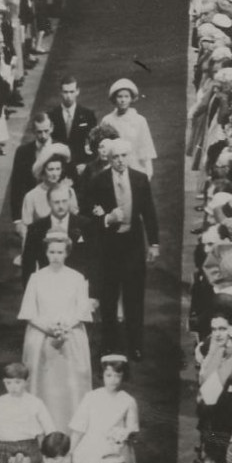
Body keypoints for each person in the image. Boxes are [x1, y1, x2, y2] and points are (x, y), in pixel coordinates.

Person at [84, 138, 159, 361]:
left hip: (133, 244)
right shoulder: (98, 181)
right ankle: (109, 344)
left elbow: (149, 213)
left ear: (129, 156)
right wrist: (106, 218)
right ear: (109, 158)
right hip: (109, 247)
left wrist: (154, 243)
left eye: (124, 156)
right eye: (115, 156)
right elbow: (87, 213)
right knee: (108, 298)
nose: (120, 161)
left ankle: (135, 344)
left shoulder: (140, 179)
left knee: (134, 297)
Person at [18, 231, 92, 433]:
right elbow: (29, 312)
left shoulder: (77, 278)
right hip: (41, 335)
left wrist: (64, 327)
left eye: (60, 252)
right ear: (46, 253)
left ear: (67, 252)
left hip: (70, 336)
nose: (56, 256)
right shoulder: (36, 278)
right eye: (52, 252)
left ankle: (73, 429)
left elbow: (82, 311)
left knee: (70, 384)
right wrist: (48, 329)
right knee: (42, 383)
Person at [70, 355, 140, 463]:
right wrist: (70, 451)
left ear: (123, 377)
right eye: (109, 375)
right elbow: (79, 427)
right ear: (102, 375)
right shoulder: (91, 397)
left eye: (117, 375)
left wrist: (124, 434)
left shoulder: (127, 400)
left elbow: (132, 428)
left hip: (116, 447)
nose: (113, 380)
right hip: (91, 445)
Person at [101, 78, 157, 179]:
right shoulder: (107, 120)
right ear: (114, 98)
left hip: (135, 167)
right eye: (119, 96)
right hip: (114, 169)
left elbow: (146, 148)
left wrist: (148, 173)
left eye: (126, 96)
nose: (123, 100)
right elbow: (103, 149)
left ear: (131, 98)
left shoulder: (140, 120)